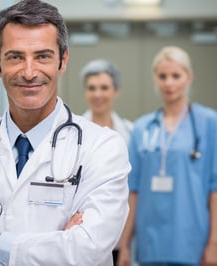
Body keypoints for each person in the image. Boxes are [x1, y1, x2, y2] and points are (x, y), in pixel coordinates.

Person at [0, 1, 131, 265]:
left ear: (62, 61)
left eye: (43, 56)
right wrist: (56, 248)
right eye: (15, 57)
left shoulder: (103, 147)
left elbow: (86, 250)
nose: (29, 72)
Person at [118, 46, 217, 266]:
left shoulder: (209, 123)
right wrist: (125, 244)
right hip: (149, 242)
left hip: (191, 240)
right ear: (155, 79)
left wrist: (215, 243)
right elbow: (134, 191)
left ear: (189, 77)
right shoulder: (143, 128)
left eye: (176, 75)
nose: (169, 83)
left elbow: (216, 191)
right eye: (162, 76)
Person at [81, 58, 133, 263]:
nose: (98, 94)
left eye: (104, 87)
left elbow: (133, 192)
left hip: (120, 238)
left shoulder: (130, 132)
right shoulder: (73, 134)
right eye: (92, 88)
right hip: (84, 234)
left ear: (116, 91)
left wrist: (127, 244)